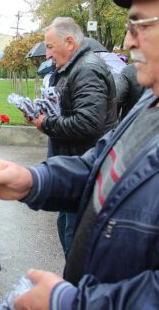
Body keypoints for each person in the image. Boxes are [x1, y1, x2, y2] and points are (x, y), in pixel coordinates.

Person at [0, 0, 159, 309]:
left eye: (140, 25)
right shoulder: (155, 99)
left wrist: (67, 302)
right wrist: (35, 180)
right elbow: (100, 162)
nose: (128, 42)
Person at [29, 17, 116, 256]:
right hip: (73, 164)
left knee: (75, 237)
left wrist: (46, 123)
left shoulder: (87, 69)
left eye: (50, 46)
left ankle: (76, 290)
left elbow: (88, 123)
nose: (47, 55)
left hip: (84, 167)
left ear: (69, 42)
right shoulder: (71, 67)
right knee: (67, 228)